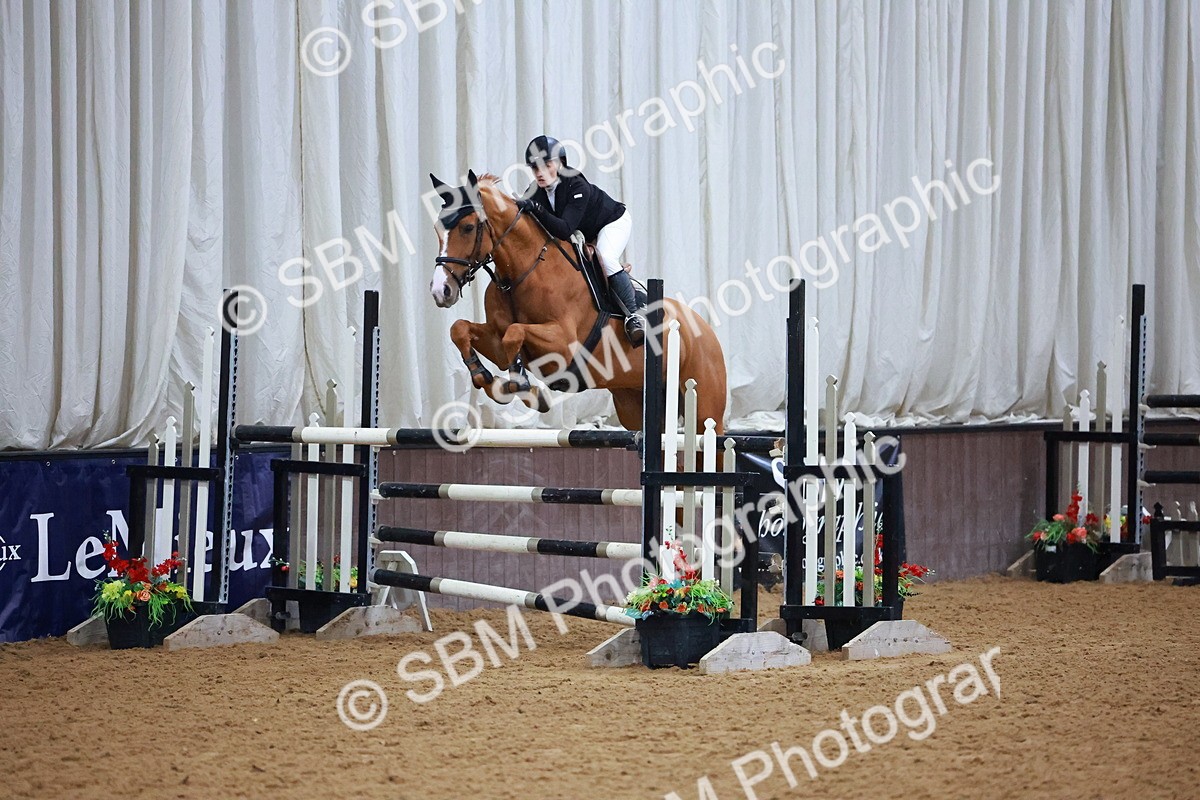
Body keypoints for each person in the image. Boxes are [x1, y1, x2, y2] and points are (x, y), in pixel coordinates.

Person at [516, 135, 645, 346]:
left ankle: (633, 316)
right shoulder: (535, 190)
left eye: (546, 165)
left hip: (612, 222)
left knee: (606, 255)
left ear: (559, 164)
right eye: (534, 168)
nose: (539, 173)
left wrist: (537, 210)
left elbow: (565, 229)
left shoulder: (576, 185)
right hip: (584, 229)